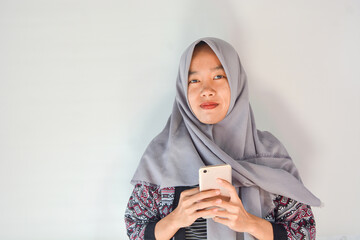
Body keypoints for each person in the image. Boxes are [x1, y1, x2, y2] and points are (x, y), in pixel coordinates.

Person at [125, 37, 321, 240]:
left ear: (236, 82)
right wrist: (175, 219)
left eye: (218, 76)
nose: (206, 90)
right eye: (194, 80)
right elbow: (135, 230)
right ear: (183, 90)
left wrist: (250, 223)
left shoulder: (270, 153)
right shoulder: (161, 155)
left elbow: (304, 232)